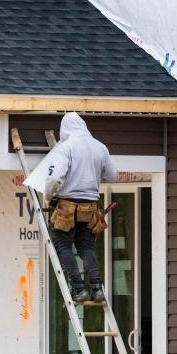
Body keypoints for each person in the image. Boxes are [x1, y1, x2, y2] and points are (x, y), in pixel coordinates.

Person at [42, 112, 118, 304]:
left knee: (63, 246)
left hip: (67, 205)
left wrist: (47, 197)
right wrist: (92, 174)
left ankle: (78, 289)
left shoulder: (65, 147)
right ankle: (97, 288)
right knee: (86, 247)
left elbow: (54, 177)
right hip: (89, 207)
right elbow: (112, 175)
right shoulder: (100, 147)